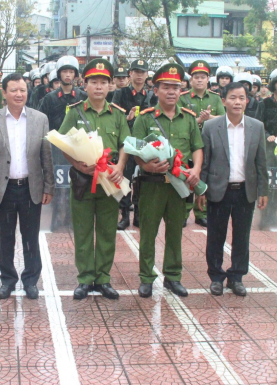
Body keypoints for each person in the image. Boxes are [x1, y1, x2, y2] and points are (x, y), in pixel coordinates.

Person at [0, 72, 54, 300]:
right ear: (4, 93)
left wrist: (49, 186)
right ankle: (7, 280)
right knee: (5, 237)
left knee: (31, 237)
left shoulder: (40, 119)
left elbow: (46, 156)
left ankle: (31, 280)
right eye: (14, 90)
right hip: (4, 189)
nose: (19, 94)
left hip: (31, 187)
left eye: (22, 90)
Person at [60, 58, 128, 300]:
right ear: (84, 84)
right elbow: (62, 142)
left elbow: (125, 145)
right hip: (83, 181)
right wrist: (77, 164)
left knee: (108, 230)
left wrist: (120, 165)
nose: (99, 87)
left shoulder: (118, 115)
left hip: (110, 181)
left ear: (111, 86)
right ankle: (86, 278)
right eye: (93, 82)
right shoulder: (75, 112)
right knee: (83, 230)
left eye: (103, 82)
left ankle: (104, 278)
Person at [133, 62, 203, 298]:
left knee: (175, 232)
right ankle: (146, 278)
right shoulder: (145, 118)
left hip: (179, 187)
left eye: (176, 87)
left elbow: (197, 147)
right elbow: (134, 149)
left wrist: (197, 171)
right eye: (166, 87)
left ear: (181, 89)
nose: (171, 92)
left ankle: (173, 276)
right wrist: (146, 165)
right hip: (152, 185)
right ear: (156, 90)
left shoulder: (189, 118)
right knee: (148, 233)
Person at [197, 81, 268, 297]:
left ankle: (236, 276)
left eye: (242, 98)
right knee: (215, 235)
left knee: (242, 237)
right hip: (219, 189)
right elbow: (205, 161)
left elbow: (261, 161)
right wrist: (200, 189)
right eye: (232, 98)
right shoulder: (211, 126)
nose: (237, 102)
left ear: (247, 100)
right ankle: (216, 277)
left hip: (245, 190)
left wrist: (263, 190)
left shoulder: (257, 127)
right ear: (223, 101)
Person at [178, 60, 225, 228]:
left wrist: (208, 119)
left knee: (205, 177)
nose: (199, 80)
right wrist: (198, 120)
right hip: (189, 144)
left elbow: (222, 118)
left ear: (208, 80)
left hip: (209, 143)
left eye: (203, 77)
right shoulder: (182, 98)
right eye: (196, 77)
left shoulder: (215, 98)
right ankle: (183, 213)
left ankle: (201, 213)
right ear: (191, 80)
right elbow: (180, 120)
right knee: (187, 177)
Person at [112, 59, 151, 229]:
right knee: (125, 179)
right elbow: (114, 117)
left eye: (143, 72)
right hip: (126, 142)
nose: (139, 75)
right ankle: (125, 215)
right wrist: (127, 119)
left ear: (147, 75)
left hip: (144, 143)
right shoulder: (121, 94)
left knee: (142, 180)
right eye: (136, 72)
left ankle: (140, 215)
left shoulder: (151, 95)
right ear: (130, 74)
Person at [39, 56, 86, 131]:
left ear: (75, 75)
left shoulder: (83, 97)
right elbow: (40, 122)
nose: (68, 75)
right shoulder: (50, 98)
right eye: (64, 71)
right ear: (59, 74)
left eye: (71, 72)